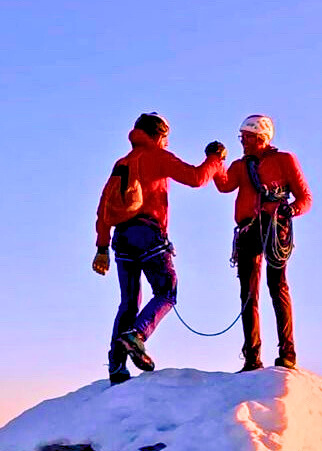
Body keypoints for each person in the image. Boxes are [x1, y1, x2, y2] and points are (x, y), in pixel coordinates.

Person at [94, 112, 226, 384]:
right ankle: (137, 335)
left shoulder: (122, 163)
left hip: (122, 237)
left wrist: (102, 247)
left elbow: (104, 205)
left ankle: (116, 368)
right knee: (167, 291)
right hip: (149, 234)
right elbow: (196, 177)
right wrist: (214, 158)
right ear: (160, 135)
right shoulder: (157, 156)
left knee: (129, 302)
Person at [214, 114, 311, 371]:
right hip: (248, 229)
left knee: (276, 286)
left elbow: (305, 197)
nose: (242, 141)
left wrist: (292, 210)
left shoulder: (284, 160)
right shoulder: (239, 165)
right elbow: (224, 186)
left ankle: (287, 353)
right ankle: (252, 357)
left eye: (246, 137)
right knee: (248, 293)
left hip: (274, 225)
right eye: (241, 137)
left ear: (260, 137)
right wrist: (215, 162)